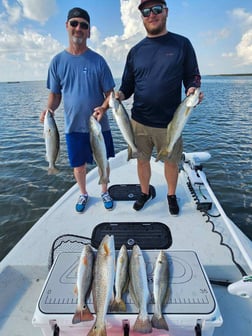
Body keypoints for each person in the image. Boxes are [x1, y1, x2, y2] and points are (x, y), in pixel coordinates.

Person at [116, 0, 203, 215]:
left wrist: (192, 89)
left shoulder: (181, 44)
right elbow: (127, 87)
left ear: (165, 12)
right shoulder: (135, 51)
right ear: (142, 17)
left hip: (170, 122)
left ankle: (171, 195)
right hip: (138, 122)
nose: (151, 14)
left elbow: (193, 76)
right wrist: (118, 96)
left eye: (156, 9)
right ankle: (145, 192)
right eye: (146, 11)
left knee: (171, 163)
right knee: (142, 161)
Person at [40, 7, 115, 213]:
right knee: (78, 166)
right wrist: (49, 109)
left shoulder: (98, 61)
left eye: (84, 25)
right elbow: (55, 95)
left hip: (99, 126)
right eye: (74, 23)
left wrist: (104, 107)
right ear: (67, 26)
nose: (78, 28)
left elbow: (111, 93)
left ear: (89, 31)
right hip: (73, 126)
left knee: (103, 161)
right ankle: (83, 193)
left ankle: (104, 190)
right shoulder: (57, 62)